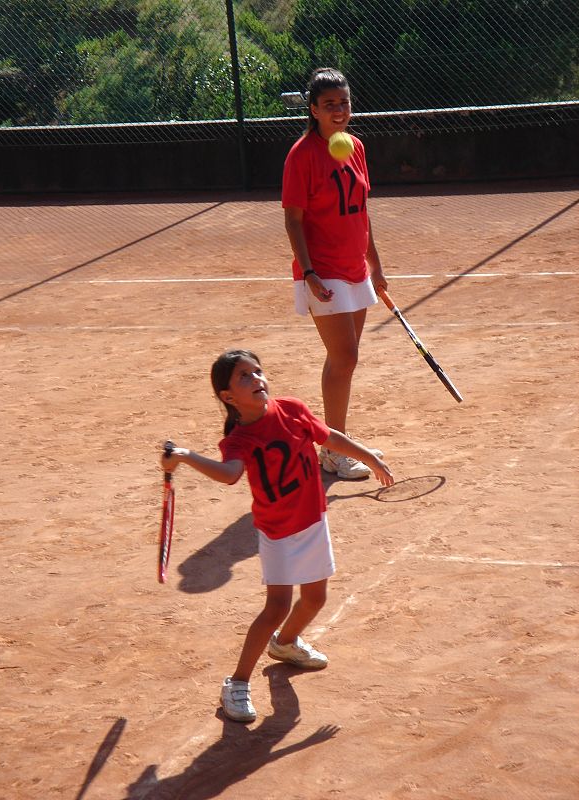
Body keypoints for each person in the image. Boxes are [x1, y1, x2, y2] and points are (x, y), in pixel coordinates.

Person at [161, 348, 394, 723]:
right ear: (227, 397)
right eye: (244, 377)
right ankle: (236, 683)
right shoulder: (239, 439)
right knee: (277, 608)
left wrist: (368, 455)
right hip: (279, 532)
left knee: (315, 598)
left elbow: (328, 436)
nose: (257, 380)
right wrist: (186, 456)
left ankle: (285, 645)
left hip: (313, 521)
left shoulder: (292, 409)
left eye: (258, 372)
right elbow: (229, 473)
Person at [282, 66, 388, 480]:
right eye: (330, 105)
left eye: (344, 102)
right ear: (313, 110)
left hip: (353, 265)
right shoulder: (301, 156)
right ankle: (332, 447)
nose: (339, 110)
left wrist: (374, 262)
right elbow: (293, 220)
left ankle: (339, 444)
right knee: (345, 356)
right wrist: (309, 272)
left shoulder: (356, 147)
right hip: (322, 270)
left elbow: (361, 210)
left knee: (344, 360)